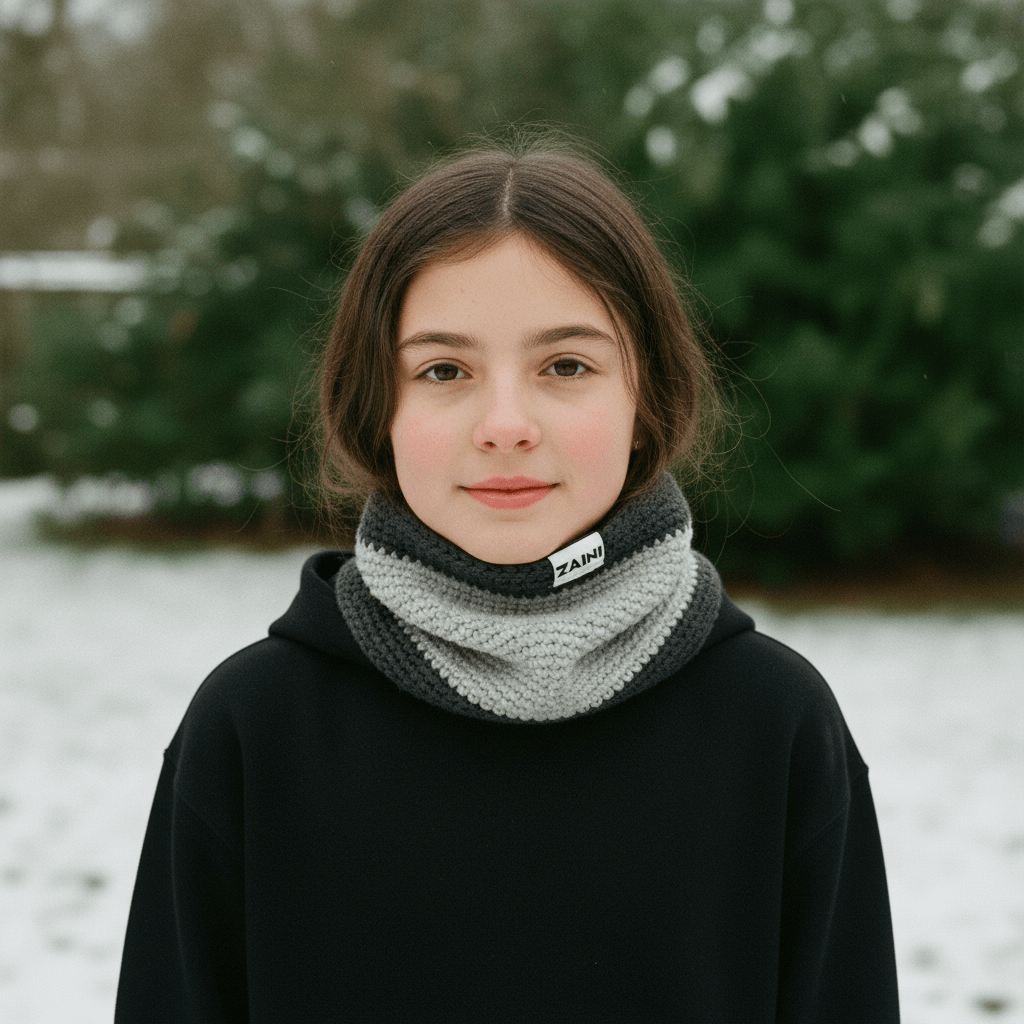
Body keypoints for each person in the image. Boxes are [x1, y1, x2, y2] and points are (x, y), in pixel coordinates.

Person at [115, 142, 900, 1022]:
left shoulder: (776, 727)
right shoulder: (253, 730)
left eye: (566, 366)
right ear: (381, 406)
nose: (505, 425)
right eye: (444, 370)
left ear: (646, 397)